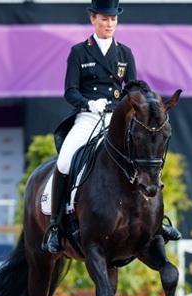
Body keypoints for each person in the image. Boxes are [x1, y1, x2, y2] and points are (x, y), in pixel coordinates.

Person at [44, 0, 181, 254]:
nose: (109, 24)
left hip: (116, 119)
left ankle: (157, 222)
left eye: (113, 20)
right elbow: (70, 92)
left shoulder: (125, 53)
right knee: (64, 161)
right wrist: (88, 104)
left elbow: (134, 89)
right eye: (104, 19)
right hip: (88, 116)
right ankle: (55, 225)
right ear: (93, 20)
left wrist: (135, 104)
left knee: (144, 158)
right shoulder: (79, 52)